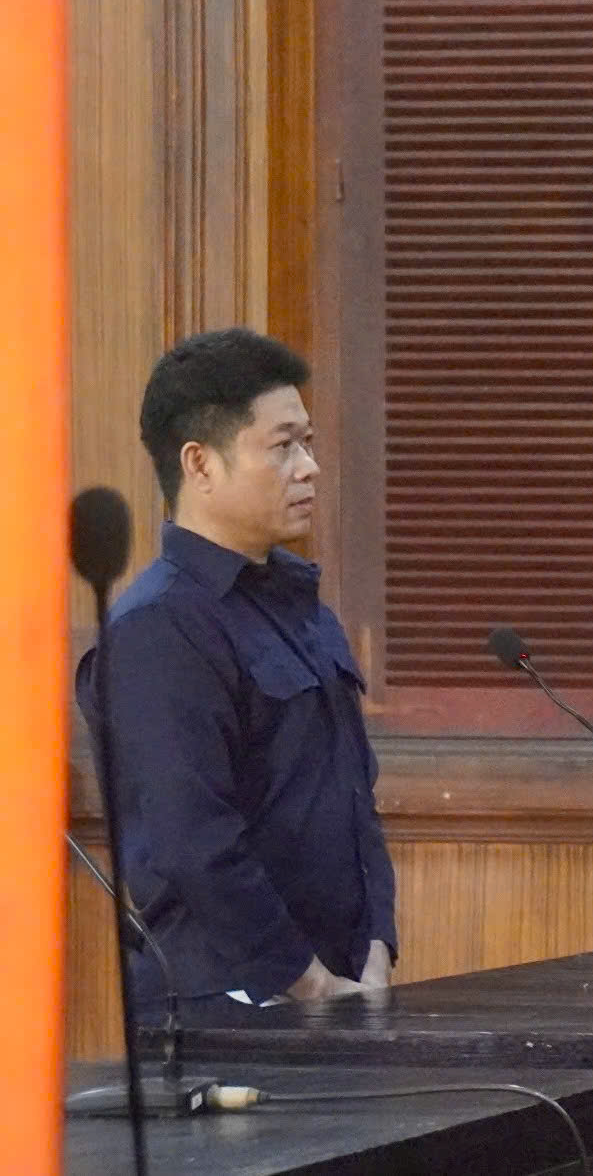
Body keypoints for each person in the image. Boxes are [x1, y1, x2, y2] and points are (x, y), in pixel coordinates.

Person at [76, 328, 396, 1018]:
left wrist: (377, 944)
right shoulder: (159, 627)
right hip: (228, 1010)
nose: (309, 467)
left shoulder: (303, 607)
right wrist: (308, 981)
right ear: (200, 464)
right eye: (283, 446)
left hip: (341, 990)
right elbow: (194, 839)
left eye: (308, 442)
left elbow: (354, 797)